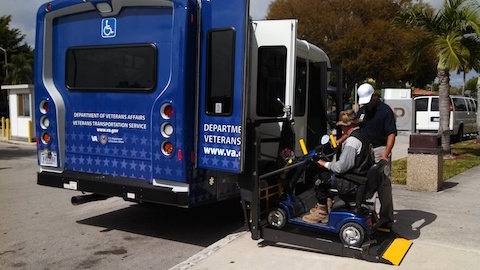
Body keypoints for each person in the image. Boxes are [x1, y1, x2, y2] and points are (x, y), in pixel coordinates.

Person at [302, 109, 374, 224]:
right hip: (360, 177)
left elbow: (341, 167)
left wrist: (324, 163)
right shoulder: (363, 136)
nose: (342, 129)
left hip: (351, 182)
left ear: (349, 125)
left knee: (320, 178)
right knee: (327, 175)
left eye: (342, 126)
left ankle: (321, 212)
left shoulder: (352, 141)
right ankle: (328, 205)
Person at [356, 83, 397, 230]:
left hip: (380, 149)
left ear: (374, 95)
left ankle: (386, 220)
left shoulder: (385, 111)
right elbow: (355, 129)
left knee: (383, 184)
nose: (366, 105)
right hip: (365, 150)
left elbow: (391, 133)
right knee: (365, 183)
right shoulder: (362, 111)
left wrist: (386, 153)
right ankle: (368, 215)